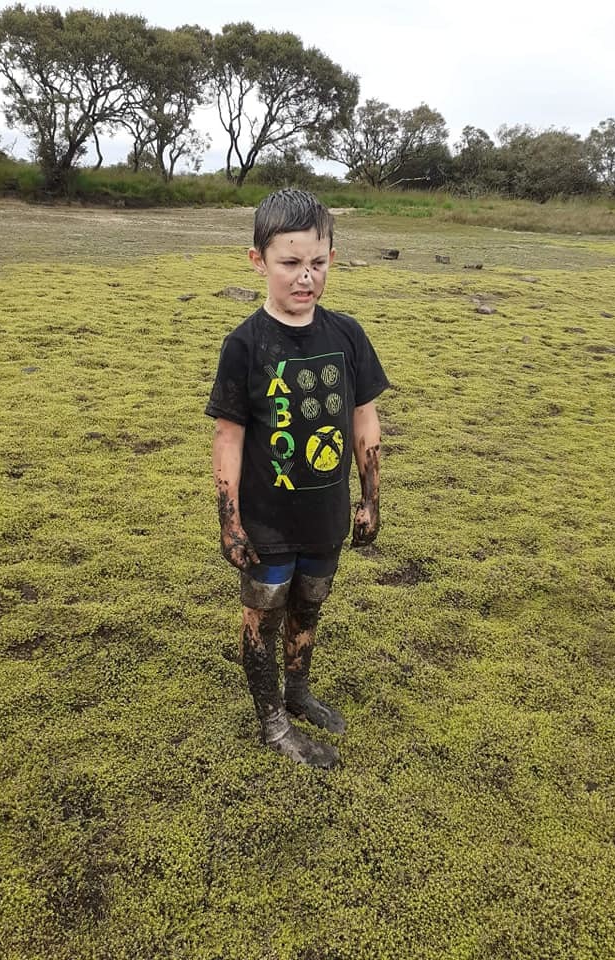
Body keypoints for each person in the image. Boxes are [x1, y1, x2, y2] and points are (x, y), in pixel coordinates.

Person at [205, 189, 389, 769]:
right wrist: (229, 521)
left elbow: (364, 417)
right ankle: (272, 723)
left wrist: (371, 499)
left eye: (318, 262)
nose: (305, 277)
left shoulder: (348, 335)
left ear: (332, 256)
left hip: (325, 515)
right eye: (290, 263)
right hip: (266, 521)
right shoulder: (245, 344)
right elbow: (229, 437)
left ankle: (298, 692)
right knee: (264, 611)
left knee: (310, 606)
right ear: (258, 260)